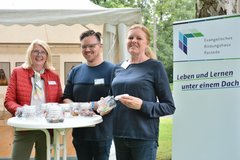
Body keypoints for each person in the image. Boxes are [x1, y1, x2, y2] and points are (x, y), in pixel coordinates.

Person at [110, 24, 175, 160]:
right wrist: (103, 104)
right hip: (119, 135)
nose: (134, 40)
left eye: (139, 38)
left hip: (144, 137)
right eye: (130, 37)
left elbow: (169, 106)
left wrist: (142, 105)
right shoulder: (118, 68)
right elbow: (112, 98)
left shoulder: (155, 67)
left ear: (147, 44)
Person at [4, 39, 62, 160]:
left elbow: (59, 101)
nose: (39, 55)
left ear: (47, 56)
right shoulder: (18, 72)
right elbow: (9, 100)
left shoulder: (54, 75)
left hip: (46, 127)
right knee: (18, 157)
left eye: (43, 52)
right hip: (25, 125)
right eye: (36, 51)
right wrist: (22, 110)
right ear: (30, 54)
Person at [62, 30, 115, 160]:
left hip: (102, 134)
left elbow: (115, 100)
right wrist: (86, 107)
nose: (87, 50)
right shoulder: (75, 71)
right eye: (84, 46)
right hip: (80, 133)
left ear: (100, 46)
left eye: (91, 46)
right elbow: (66, 98)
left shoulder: (112, 70)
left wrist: (100, 107)